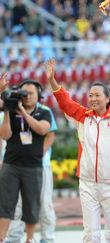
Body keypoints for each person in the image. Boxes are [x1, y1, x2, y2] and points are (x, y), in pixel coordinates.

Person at [45, 59, 110, 243]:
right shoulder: (82, 118)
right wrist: (53, 81)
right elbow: (65, 102)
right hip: (87, 184)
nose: (93, 98)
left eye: (97, 95)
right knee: (90, 234)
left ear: (107, 98)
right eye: (90, 95)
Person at [0, 74, 52, 243]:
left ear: (38, 95)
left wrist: (22, 111)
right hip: (11, 165)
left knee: (32, 205)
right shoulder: (11, 111)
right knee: (6, 204)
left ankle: (30, 239)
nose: (27, 96)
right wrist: (8, 110)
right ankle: (1, 237)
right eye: (25, 93)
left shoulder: (44, 112)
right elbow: (5, 135)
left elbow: (42, 130)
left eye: (31, 93)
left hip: (33, 166)